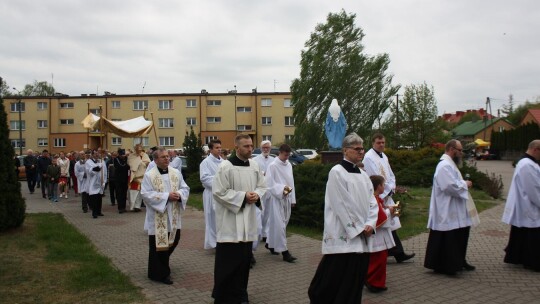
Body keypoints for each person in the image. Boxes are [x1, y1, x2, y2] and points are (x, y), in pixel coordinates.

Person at [308, 133, 378, 304]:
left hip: (362, 235)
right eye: (357, 149)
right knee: (333, 278)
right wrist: (360, 228)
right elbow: (342, 203)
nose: (361, 152)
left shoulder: (363, 175)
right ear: (346, 150)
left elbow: (373, 202)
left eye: (362, 148)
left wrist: (370, 224)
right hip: (344, 236)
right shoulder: (337, 172)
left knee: (354, 281)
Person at [211, 134, 267, 304]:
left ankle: (241, 294)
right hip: (230, 222)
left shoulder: (255, 165)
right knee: (228, 263)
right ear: (237, 148)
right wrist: (243, 197)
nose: (250, 149)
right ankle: (222, 296)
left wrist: (256, 195)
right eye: (246, 146)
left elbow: (262, 185)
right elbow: (219, 192)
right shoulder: (225, 167)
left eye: (251, 146)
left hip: (248, 221)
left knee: (244, 263)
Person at [424, 139, 477, 275]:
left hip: (455, 206)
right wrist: (465, 184)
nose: (461, 153)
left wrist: (463, 183)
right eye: (459, 150)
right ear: (452, 149)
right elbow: (449, 186)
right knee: (449, 237)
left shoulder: (450, 164)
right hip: (446, 208)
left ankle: (459, 261)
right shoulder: (444, 166)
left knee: (460, 234)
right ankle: (447, 265)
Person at [363, 133, 415, 263]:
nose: (381, 145)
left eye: (383, 142)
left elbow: (391, 175)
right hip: (378, 196)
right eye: (378, 143)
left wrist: (391, 188)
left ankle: (395, 252)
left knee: (392, 223)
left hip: (386, 194)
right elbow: (374, 179)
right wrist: (384, 192)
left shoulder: (384, 156)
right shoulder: (369, 158)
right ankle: (396, 253)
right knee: (385, 224)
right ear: (373, 143)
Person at [141, 147, 190, 285]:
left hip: (173, 216)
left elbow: (185, 188)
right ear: (155, 160)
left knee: (174, 240)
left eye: (168, 156)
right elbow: (145, 194)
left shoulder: (175, 173)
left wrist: (179, 195)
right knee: (159, 246)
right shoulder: (149, 175)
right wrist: (166, 196)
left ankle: (157, 267)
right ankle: (161, 274)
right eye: (163, 157)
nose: (167, 159)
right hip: (159, 215)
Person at [502, 139, 540, 271]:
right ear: (535, 149)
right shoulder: (526, 165)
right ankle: (532, 262)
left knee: (522, 233)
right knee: (532, 235)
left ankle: (518, 257)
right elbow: (533, 189)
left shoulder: (528, 163)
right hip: (528, 205)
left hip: (527, 205)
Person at [265, 144, 297, 263]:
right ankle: (285, 252)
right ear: (280, 153)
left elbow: (291, 182)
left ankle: (270, 243)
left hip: (287, 198)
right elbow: (269, 184)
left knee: (281, 224)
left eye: (288, 155)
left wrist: (293, 199)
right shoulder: (273, 166)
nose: (287, 158)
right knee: (280, 226)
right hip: (276, 199)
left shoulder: (288, 165)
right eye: (285, 155)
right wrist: (281, 190)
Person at [365, 175, 396, 293]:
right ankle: (374, 283)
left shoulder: (376, 198)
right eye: (383, 185)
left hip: (379, 235)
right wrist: (389, 211)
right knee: (378, 260)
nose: (384, 187)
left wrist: (388, 210)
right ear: (378, 186)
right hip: (377, 237)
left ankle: (375, 281)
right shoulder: (374, 199)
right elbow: (379, 218)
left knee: (380, 259)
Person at [199, 139, 223, 250]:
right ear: (211, 149)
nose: (219, 149)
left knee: (221, 219)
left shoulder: (223, 162)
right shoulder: (206, 163)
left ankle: (221, 241)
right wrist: (220, 180)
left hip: (222, 195)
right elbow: (204, 179)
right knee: (212, 219)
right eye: (217, 148)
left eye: (220, 147)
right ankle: (213, 243)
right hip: (211, 194)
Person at [253, 140, 275, 243]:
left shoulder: (274, 160)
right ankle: (259, 232)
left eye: (268, 148)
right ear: (261, 148)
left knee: (268, 212)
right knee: (260, 211)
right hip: (260, 188)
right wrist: (263, 173)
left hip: (270, 189)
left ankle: (266, 233)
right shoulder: (255, 160)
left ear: (270, 149)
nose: (266, 149)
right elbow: (253, 173)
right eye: (264, 147)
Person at [128, 144, 151, 212]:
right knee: (132, 192)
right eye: (138, 149)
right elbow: (130, 162)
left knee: (139, 193)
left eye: (140, 149)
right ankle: (132, 205)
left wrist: (140, 162)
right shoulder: (132, 155)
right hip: (133, 176)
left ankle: (137, 206)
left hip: (141, 176)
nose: (139, 150)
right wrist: (138, 161)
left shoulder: (144, 155)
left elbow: (147, 162)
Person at [86, 150, 107, 219]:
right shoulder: (89, 162)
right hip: (93, 183)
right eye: (95, 154)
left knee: (99, 198)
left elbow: (105, 171)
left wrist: (104, 180)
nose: (97, 155)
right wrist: (98, 167)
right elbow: (90, 171)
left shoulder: (101, 161)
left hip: (100, 182)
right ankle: (94, 213)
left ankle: (99, 211)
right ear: (92, 154)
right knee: (94, 198)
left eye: (97, 153)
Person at [114, 149, 130, 214]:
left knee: (124, 193)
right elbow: (119, 167)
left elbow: (128, 166)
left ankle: (124, 207)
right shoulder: (116, 159)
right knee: (119, 194)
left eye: (124, 155)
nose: (123, 156)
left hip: (125, 179)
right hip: (118, 179)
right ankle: (120, 208)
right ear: (119, 155)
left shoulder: (126, 159)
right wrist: (126, 166)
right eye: (122, 155)